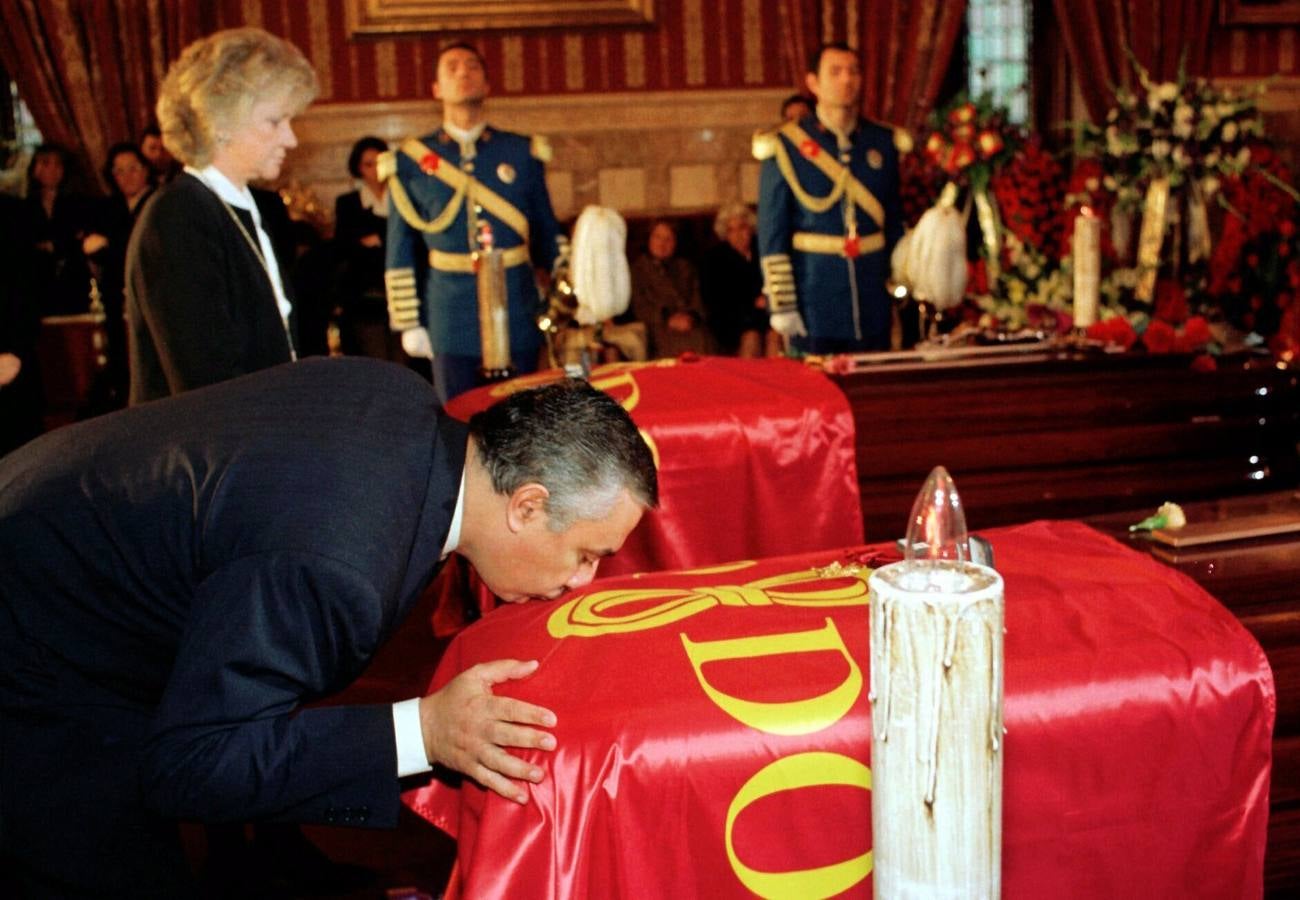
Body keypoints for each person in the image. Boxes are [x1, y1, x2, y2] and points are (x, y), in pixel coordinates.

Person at [0, 356, 658, 897]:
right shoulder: (340, 568)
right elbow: (193, 762)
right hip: (34, 642)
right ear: (527, 504)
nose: (584, 583)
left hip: (52, 519)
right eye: (586, 554)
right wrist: (424, 730)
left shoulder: (402, 401)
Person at [125, 27, 318, 405]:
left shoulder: (240, 204)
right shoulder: (178, 217)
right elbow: (205, 386)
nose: (290, 139)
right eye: (275, 122)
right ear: (220, 124)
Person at [385, 41, 564, 404]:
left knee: (525, 418)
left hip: (517, 305)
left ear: (487, 85)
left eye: (472, 67)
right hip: (450, 313)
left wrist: (569, 290)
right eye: (451, 67)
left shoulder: (522, 152)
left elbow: (547, 231)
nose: (463, 73)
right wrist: (409, 320)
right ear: (436, 89)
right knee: (457, 416)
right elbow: (399, 246)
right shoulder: (410, 160)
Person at [755, 42, 904, 353]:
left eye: (853, 71)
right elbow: (773, 233)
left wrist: (899, 284)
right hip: (815, 303)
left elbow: (893, 224)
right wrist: (782, 305)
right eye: (835, 72)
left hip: (872, 299)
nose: (846, 80)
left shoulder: (882, 142)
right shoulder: (785, 145)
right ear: (813, 83)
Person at [81, 142, 158, 412]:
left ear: (146, 170)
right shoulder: (108, 209)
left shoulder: (159, 203)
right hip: (116, 302)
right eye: (119, 171)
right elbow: (92, 249)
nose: (127, 176)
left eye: (133, 169)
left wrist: (111, 246)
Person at [334, 135, 400, 361]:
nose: (375, 170)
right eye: (368, 164)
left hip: (401, 291)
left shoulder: (402, 200)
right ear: (358, 168)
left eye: (379, 162)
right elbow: (345, 246)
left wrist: (377, 239)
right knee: (375, 357)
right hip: (366, 296)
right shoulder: (349, 202)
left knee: (405, 362)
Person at [700, 202, 781, 358]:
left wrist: (768, 299)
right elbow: (717, 301)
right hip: (733, 320)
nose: (737, 234)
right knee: (752, 337)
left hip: (767, 314)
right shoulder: (714, 259)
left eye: (742, 228)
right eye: (731, 230)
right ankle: (749, 382)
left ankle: (777, 381)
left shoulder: (764, 250)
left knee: (775, 336)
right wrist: (753, 302)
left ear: (751, 229)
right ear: (725, 234)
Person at [22, 142, 94, 316]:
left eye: (58, 164)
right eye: (46, 163)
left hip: (72, 280)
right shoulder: (24, 207)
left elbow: (79, 240)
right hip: (36, 284)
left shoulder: (78, 203)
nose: (52, 170)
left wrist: (54, 246)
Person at [629, 219, 712, 359]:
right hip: (657, 326)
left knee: (703, 340)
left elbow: (698, 300)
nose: (662, 243)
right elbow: (639, 307)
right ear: (649, 240)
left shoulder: (686, 267)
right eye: (658, 237)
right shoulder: (637, 270)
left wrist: (691, 317)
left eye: (668, 239)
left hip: (689, 324)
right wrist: (668, 319)